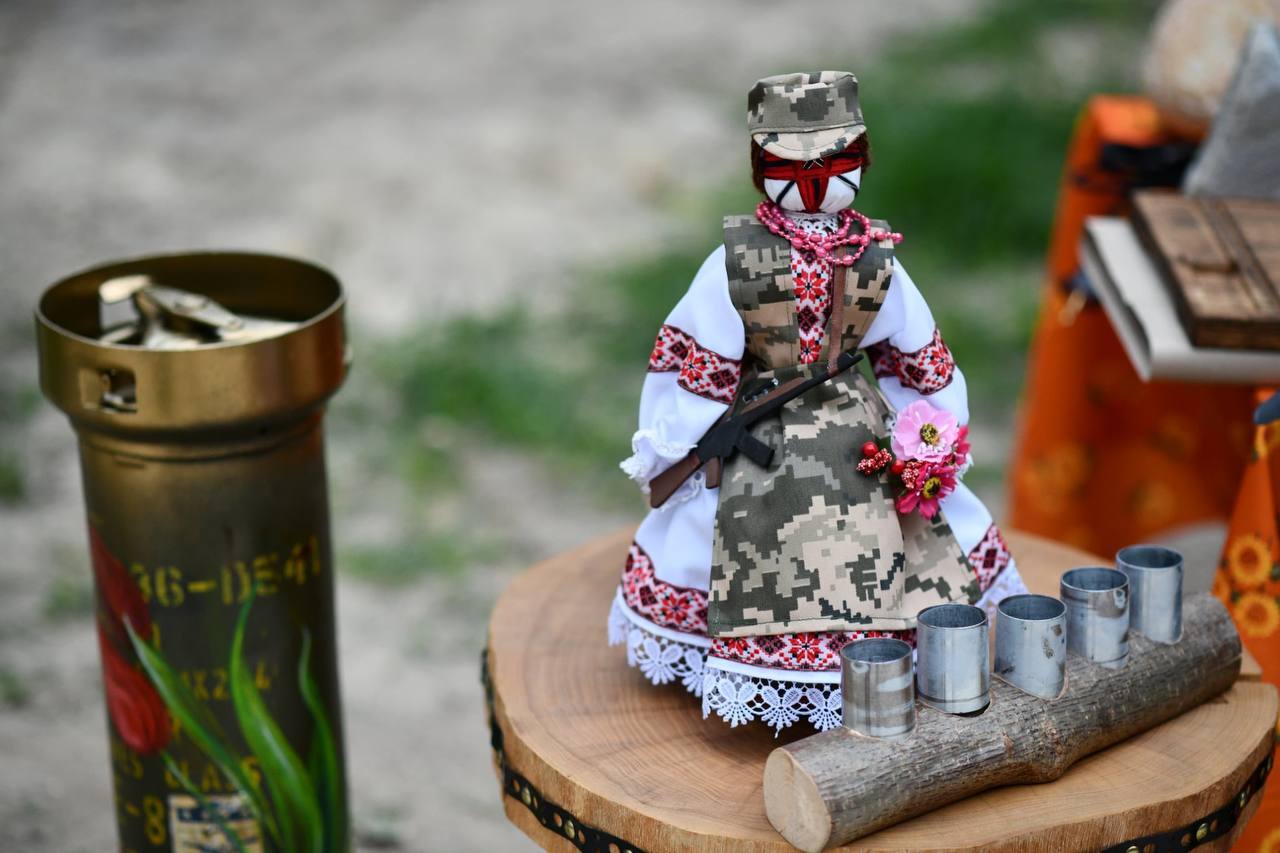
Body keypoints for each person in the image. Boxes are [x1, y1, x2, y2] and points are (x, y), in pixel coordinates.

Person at [608, 71, 1026, 732]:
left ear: (860, 162)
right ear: (760, 170)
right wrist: (682, 444)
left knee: (872, 528)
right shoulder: (761, 262)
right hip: (765, 433)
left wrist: (928, 440)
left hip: (839, 431)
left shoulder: (864, 258)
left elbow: (913, 355)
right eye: (791, 168)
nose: (812, 185)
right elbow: (706, 365)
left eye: (831, 165)